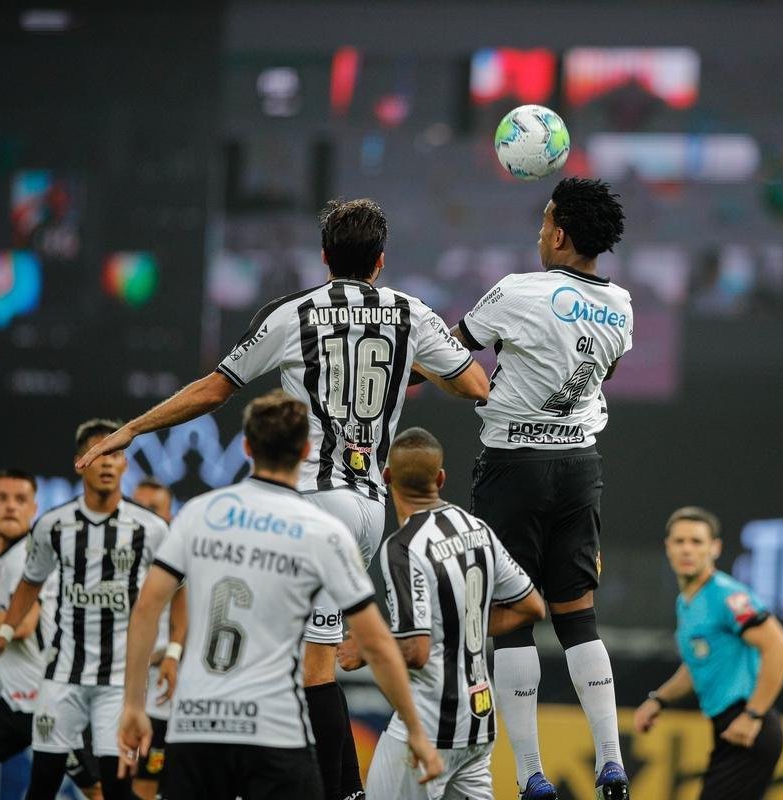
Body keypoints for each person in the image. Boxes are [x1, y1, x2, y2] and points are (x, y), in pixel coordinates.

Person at [77, 197, 489, 800]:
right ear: (380, 261)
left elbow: (215, 389)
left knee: (304, 666)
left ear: (324, 258)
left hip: (309, 505)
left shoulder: (293, 316)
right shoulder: (411, 314)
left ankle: (334, 789)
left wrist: (135, 428)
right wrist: (408, 367)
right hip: (370, 507)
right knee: (299, 658)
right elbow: (474, 384)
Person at [117, 390, 443, 799]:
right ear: (306, 449)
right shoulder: (321, 530)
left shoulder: (200, 514)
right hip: (274, 728)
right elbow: (376, 642)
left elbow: (147, 607)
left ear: (247, 447)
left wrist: (133, 705)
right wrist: (415, 730)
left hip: (199, 725)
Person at [447, 176, 632, 800]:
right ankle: (612, 761)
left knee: (511, 620)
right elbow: (601, 370)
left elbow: (454, 352)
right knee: (578, 617)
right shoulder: (623, 307)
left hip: (513, 470)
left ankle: (530, 775)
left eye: (544, 219)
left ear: (558, 233)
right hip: (579, 468)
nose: (538, 231)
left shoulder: (517, 291)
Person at [339, 428, 545, 799]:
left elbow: (417, 652)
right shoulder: (477, 529)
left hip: (429, 724)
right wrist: (464, 632)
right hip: (479, 723)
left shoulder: (401, 549)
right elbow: (532, 607)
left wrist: (368, 648)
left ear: (385, 477)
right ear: (441, 478)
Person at [0, 421, 169, 800]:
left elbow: (180, 593)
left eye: (116, 453)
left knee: (117, 789)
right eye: (99, 453)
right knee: (53, 786)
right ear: (81, 462)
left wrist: (175, 650)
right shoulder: (53, 528)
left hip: (120, 685)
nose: (108, 463)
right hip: (58, 681)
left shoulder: (151, 531)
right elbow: (28, 589)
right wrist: (2, 634)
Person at [632, 507, 783, 800]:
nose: (687, 549)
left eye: (696, 542)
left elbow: (779, 648)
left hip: (748, 728)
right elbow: (697, 665)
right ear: (668, 547)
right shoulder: (687, 602)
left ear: (715, 548)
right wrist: (659, 700)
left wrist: (752, 715)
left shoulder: (727, 595)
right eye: (679, 541)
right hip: (728, 728)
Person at [0, 469, 102, 800]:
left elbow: (23, 624)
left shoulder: (30, 556)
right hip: (18, 704)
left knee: (99, 793)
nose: (11, 506)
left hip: (55, 702)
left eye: (20, 500)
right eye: (2, 498)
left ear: (34, 509)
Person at [129, 478, 187, 800]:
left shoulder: (180, 559)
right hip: (112, 686)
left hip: (161, 692)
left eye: (153, 509)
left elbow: (187, 619)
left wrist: (170, 653)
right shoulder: (110, 552)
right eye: (138, 508)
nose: (145, 517)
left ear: (170, 515)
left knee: (147, 782)